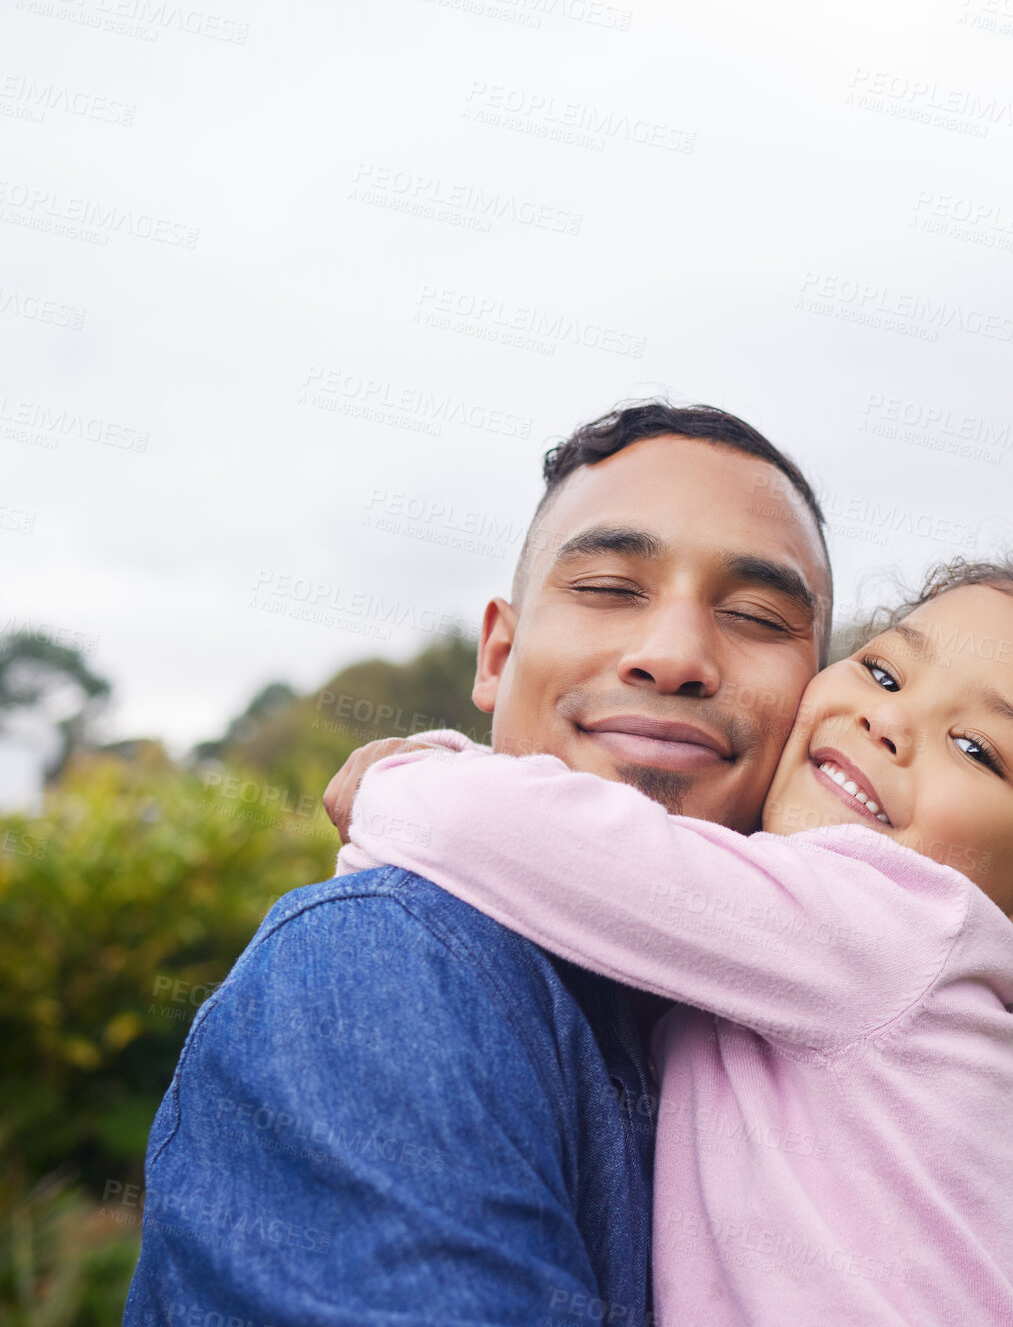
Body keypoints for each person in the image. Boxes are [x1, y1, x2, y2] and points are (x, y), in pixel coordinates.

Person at [323, 559, 1013, 1326]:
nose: (890, 722)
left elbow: (536, 845)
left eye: (977, 748)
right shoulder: (828, 949)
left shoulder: (903, 922)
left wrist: (407, 780)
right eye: (886, 673)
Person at [124, 402, 834, 1327]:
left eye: (753, 614)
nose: (675, 657)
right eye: (612, 588)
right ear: (499, 653)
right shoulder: (387, 964)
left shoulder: (764, 1039)